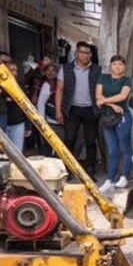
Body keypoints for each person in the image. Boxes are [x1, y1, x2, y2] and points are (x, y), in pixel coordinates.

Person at [56, 43, 101, 176]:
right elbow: (59, 90)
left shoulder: (97, 70)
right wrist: (58, 110)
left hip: (90, 109)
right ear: (76, 53)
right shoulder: (66, 69)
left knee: (91, 141)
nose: (85, 55)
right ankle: (67, 169)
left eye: (88, 53)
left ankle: (90, 170)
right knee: (70, 139)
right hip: (72, 109)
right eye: (82, 52)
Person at [97, 55, 133, 192]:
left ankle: (124, 176)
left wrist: (105, 101)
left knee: (124, 148)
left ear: (124, 67)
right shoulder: (103, 78)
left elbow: (122, 96)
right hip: (107, 117)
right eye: (114, 64)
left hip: (122, 117)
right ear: (110, 66)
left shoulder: (126, 80)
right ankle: (110, 179)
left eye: (120, 64)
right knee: (111, 150)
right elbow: (97, 96)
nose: (117, 67)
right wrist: (112, 105)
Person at [33, 63, 61, 157]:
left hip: (60, 121)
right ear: (44, 72)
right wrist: (42, 121)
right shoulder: (44, 85)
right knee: (48, 145)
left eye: (53, 70)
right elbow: (41, 103)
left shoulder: (60, 83)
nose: (50, 73)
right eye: (48, 70)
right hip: (50, 120)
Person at [3, 62, 27, 151]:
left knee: (17, 152)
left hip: (18, 123)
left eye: (16, 71)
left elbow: (27, 106)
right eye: (12, 70)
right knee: (3, 154)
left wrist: (28, 126)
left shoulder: (20, 86)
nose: (15, 73)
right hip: (2, 123)